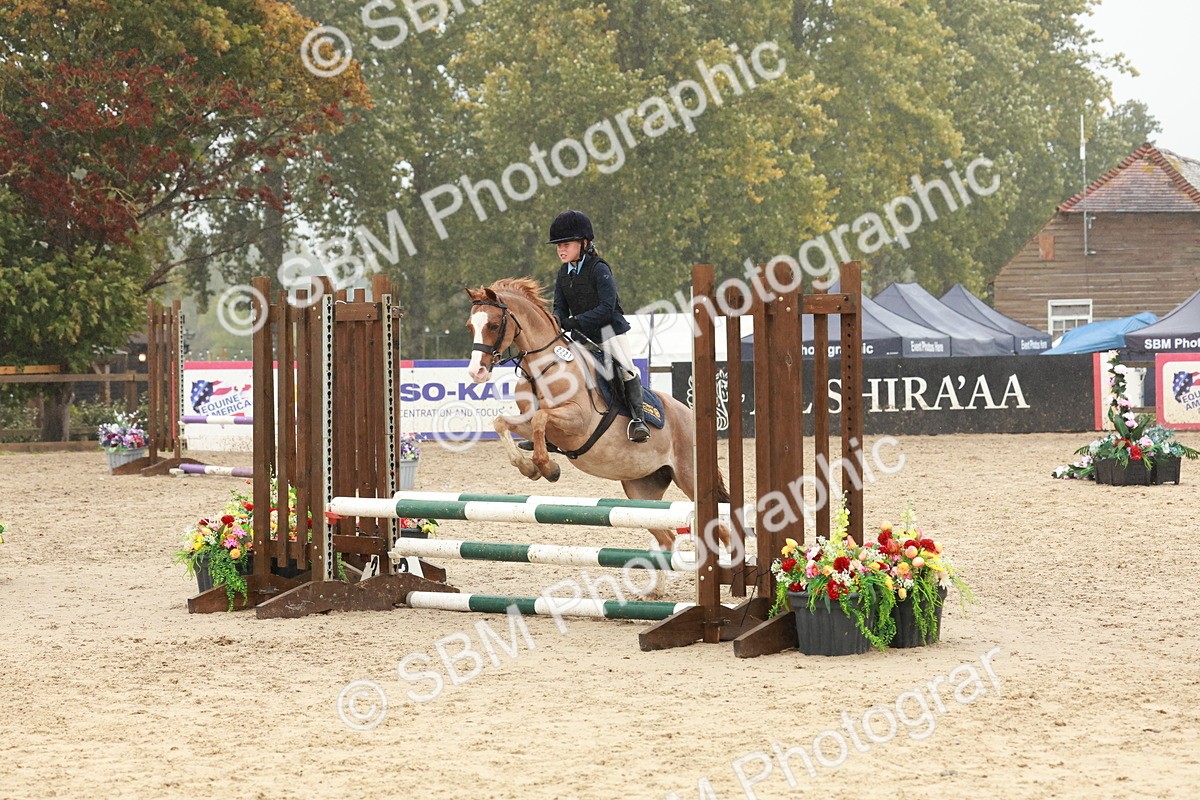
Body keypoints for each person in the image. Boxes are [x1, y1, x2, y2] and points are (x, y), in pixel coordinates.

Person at [543, 209, 650, 443]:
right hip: (581, 336)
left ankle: (638, 420)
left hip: (609, 331)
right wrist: (558, 319)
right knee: (561, 370)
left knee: (626, 369)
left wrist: (574, 322)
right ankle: (552, 428)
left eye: (566, 244)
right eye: (558, 245)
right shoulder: (563, 273)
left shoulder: (599, 268)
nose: (561, 249)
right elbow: (560, 306)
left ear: (583, 243)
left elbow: (606, 308)